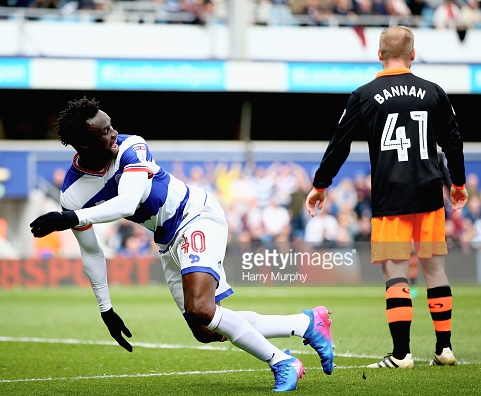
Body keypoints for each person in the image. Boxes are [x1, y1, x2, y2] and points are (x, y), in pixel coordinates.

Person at [30, 96, 335, 392]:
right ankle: (306, 323)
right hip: (167, 239)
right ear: (84, 143)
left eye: (111, 126)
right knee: (204, 329)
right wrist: (105, 308)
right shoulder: (72, 194)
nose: (114, 134)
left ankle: (282, 362)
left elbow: (127, 203)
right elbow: (92, 250)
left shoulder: (130, 145)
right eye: (105, 131)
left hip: (195, 215)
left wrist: (70, 218)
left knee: (202, 309)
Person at [305, 25, 467, 369]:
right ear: (412, 53)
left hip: (391, 192)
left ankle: (401, 355)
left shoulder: (363, 95)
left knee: (395, 272)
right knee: (435, 269)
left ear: (379, 54)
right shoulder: (434, 92)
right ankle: (444, 349)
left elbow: (340, 144)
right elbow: (453, 140)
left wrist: (321, 184)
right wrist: (458, 183)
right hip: (429, 188)